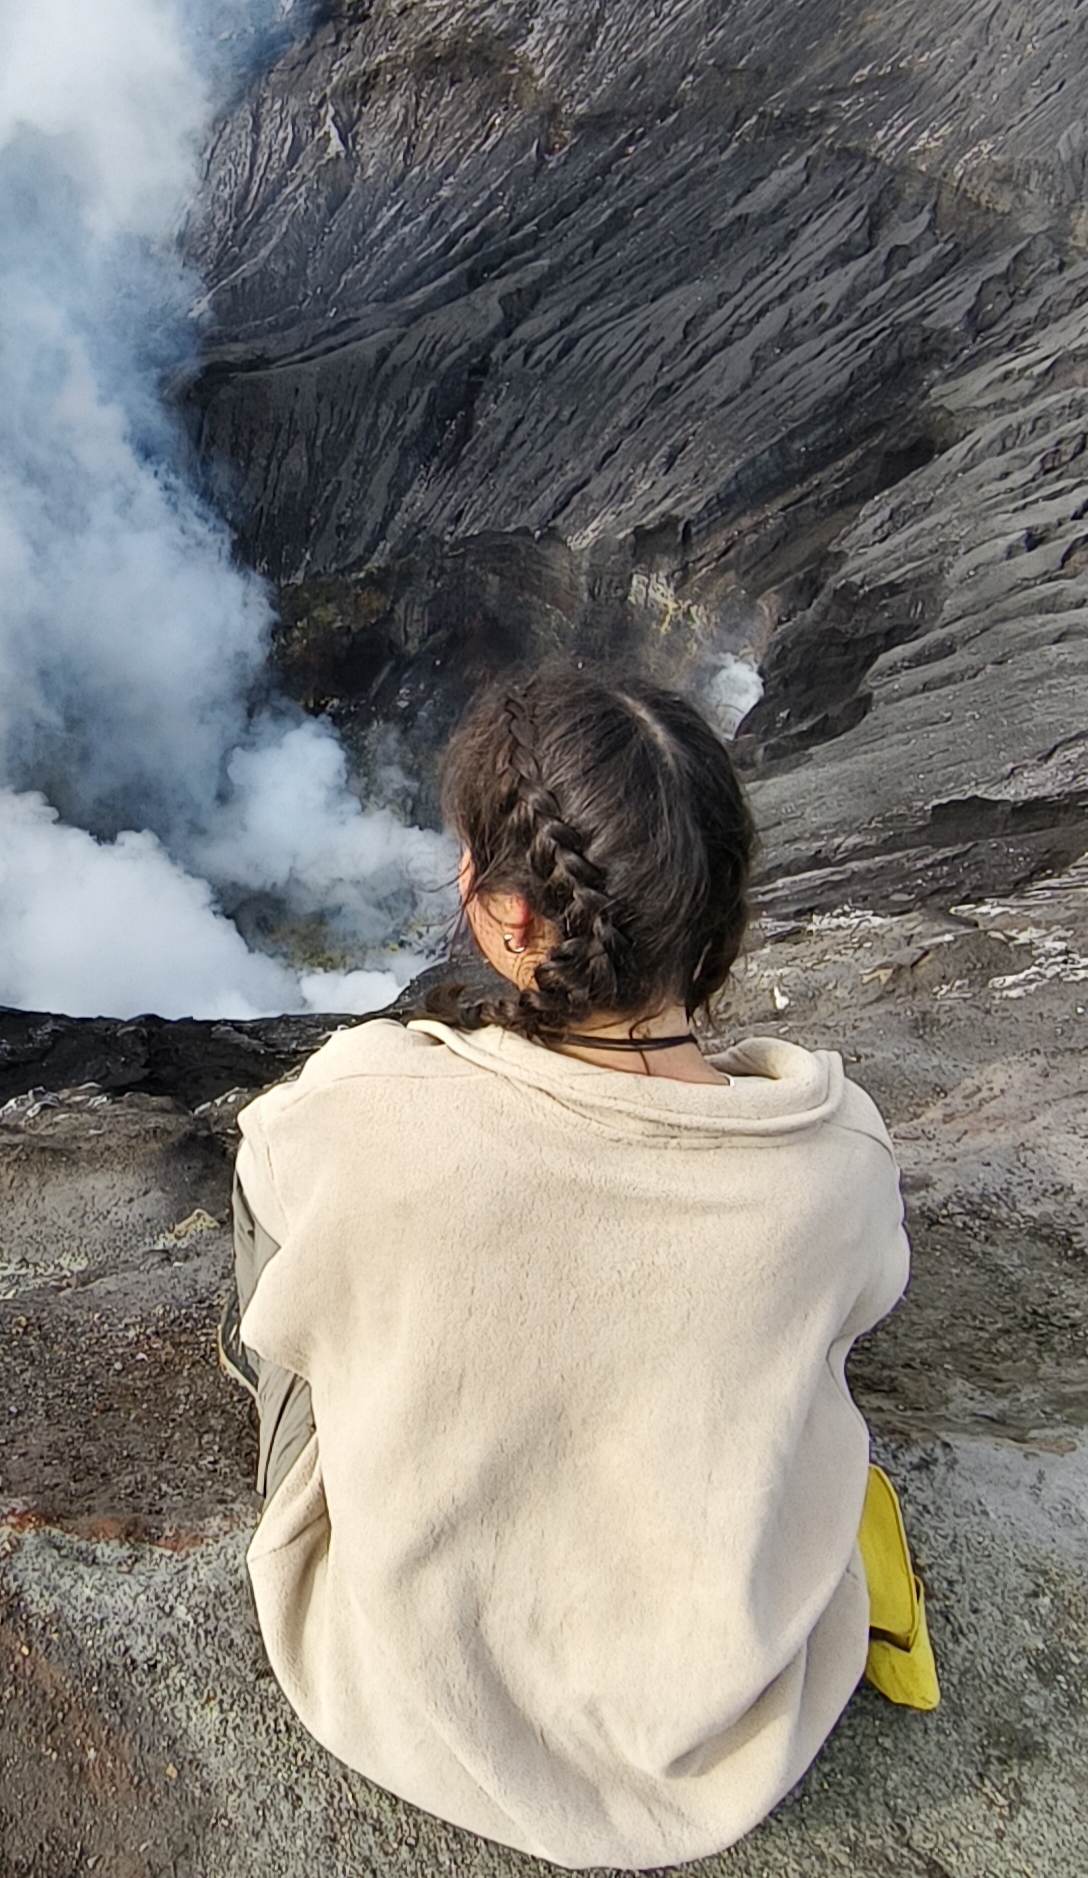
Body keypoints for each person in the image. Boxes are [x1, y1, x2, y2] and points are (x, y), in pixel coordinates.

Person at [220, 668, 911, 1871]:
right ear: (713, 905)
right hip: (723, 1732)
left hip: (399, 1692)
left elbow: (274, 1157)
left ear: (510, 915)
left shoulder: (365, 1103)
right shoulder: (836, 1160)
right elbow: (845, 1323)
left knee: (273, 1187)